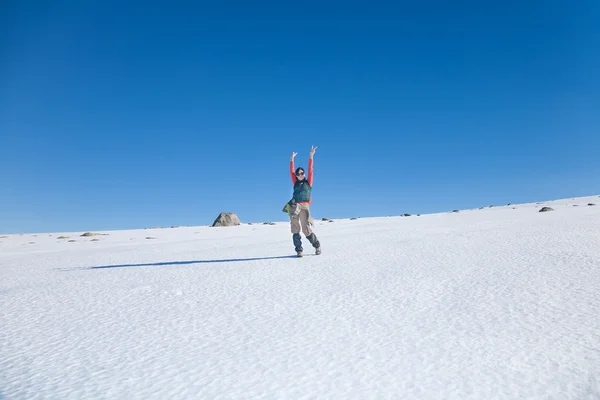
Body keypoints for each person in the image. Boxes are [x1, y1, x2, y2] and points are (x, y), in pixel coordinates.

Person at [288, 145, 321, 257]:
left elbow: (311, 169)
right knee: (295, 228)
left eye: (302, 173)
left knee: (306, 229)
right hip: (294, 206)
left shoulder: (309, 182)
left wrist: (311, 156)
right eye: (298, 174)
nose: (300, 174)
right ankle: (299, 250)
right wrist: (292, 159)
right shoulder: (295, 182)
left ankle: (317, 245)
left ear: (304, 174)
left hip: (305, 206)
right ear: (296, 176)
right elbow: (291, 171)